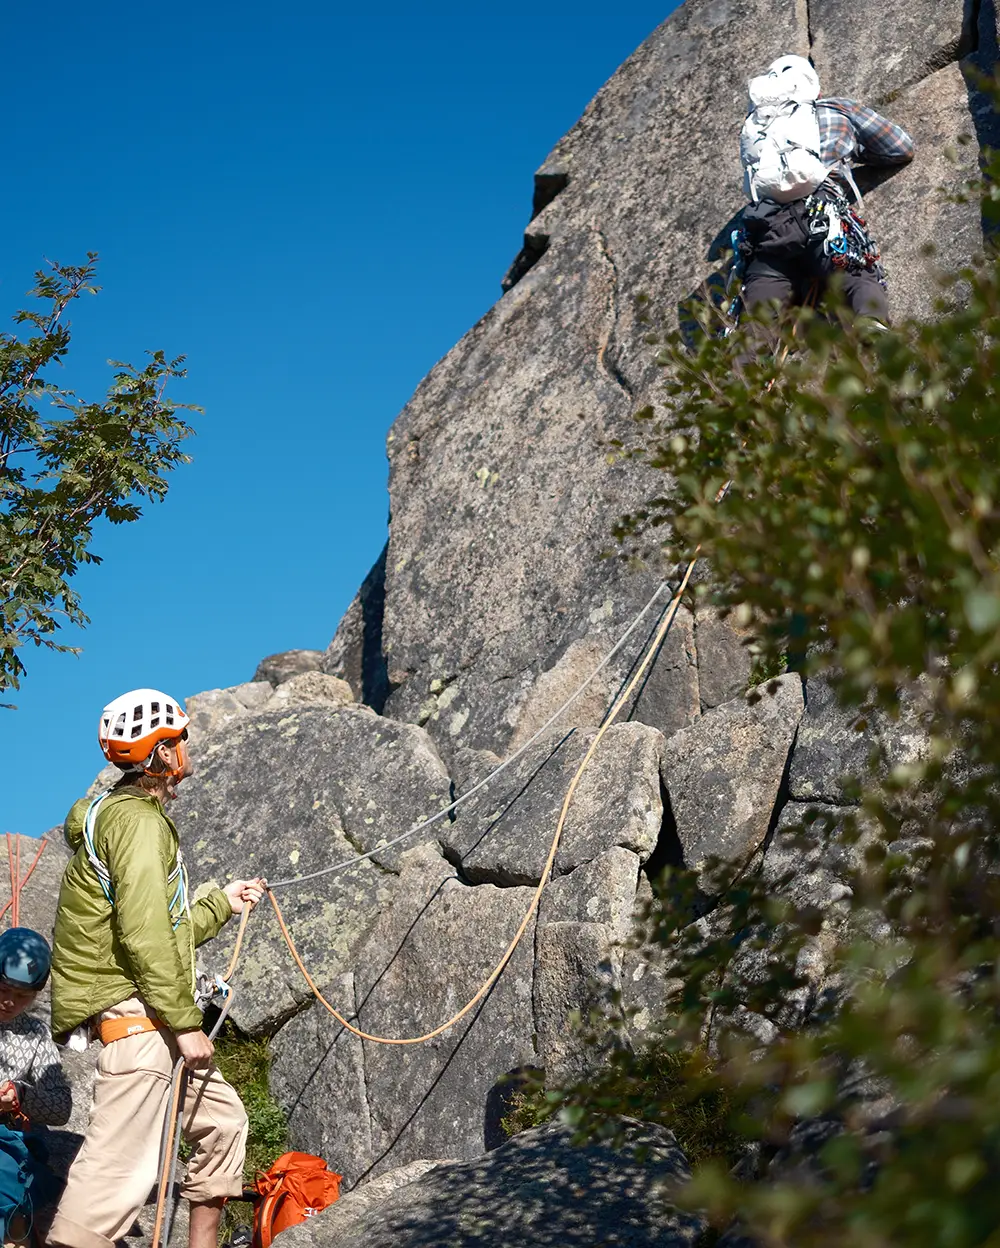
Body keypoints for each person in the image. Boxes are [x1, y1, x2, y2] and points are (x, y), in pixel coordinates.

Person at [46, 689, 266, 1248]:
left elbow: (156, 929)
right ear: (161, 753)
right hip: (142, 1022)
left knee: (224, 1124)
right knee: (117, 1177)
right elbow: (144, 934)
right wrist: (187, 1023)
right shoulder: (137, 824)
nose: (187, 749)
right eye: (180, 740)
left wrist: (221, 903)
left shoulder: (124, 818)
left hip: (152, 1015)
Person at [737, 54, 915, 329]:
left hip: (768, 229)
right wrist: (853, 154)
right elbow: (900, 147)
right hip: (822, 216)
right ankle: (870, 324)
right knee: (855, 275)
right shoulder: (836, 109)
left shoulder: (758, 128)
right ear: (814, 88)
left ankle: (745, 361)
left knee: (759, 314)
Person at [0, 927, 72, 1241]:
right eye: (3, 989)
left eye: (22, 996)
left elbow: (62, 1106)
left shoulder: (35, 1034)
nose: (9, 1002)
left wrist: (20, 1094)